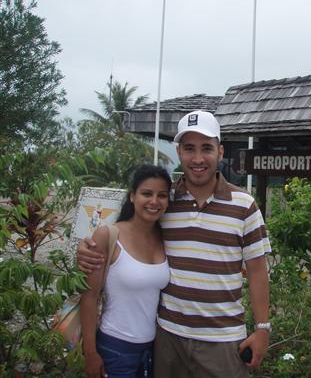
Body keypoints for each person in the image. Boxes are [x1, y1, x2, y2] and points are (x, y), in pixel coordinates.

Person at [78, 110, 272, 378]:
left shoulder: (244, 205)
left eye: (206, 148)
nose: (198, 158)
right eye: (189, 148)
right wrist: (86, 249)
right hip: (168, 339)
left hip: (222, 342)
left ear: (220, 152)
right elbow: (128, 234)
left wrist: (262, 328)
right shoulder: (165, 202)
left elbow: (258, 270)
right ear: (179, 152)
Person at [80, 164, 172, 378]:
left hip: (152, 349)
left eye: (162, 195)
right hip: (114, 349)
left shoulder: (164, 237)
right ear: (132, 196)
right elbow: (89, 297)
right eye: (146, 194)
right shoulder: (108, 235)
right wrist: (90, 353)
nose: (154, 201)